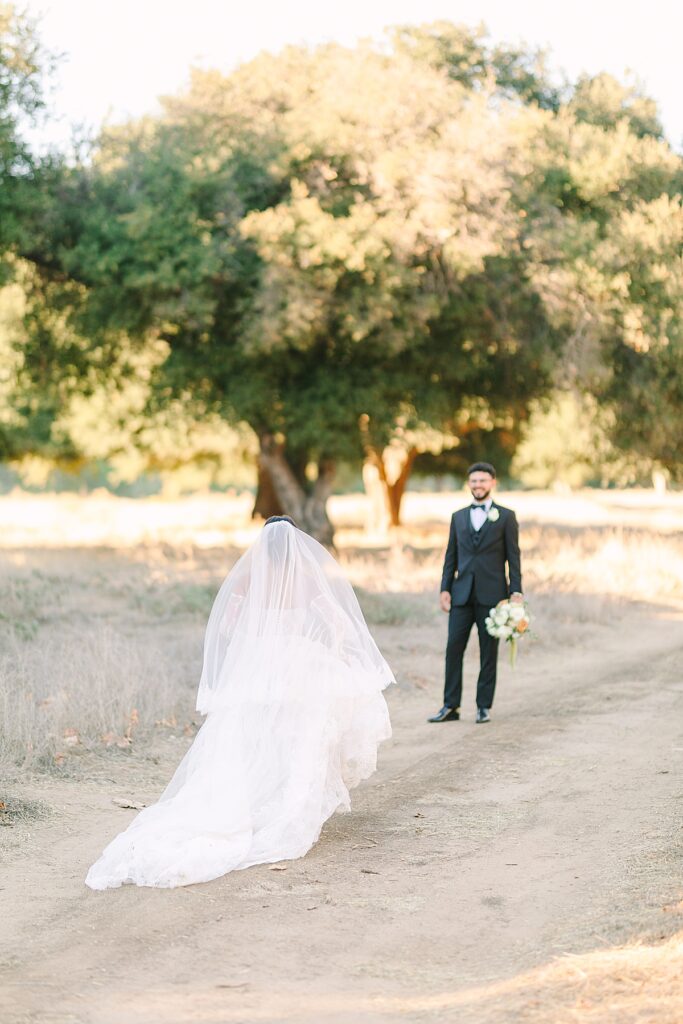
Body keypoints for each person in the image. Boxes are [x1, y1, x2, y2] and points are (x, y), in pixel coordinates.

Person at [86, 516, 393, 889]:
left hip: (259, 667)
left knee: (251, 738)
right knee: (296, 737)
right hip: (297, 666)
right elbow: (338, 623)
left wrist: (252, 648)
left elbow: (228, 626)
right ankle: (289, 808)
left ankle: (249, 805)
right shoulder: (307, 578)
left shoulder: (249, 577)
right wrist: (324, 649)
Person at [428, 463, 523, 725]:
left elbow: (513, 558)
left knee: (487, 652)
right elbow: (451, 555)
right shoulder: (458, 517)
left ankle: (483, 706)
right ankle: (450, 706)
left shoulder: (506, 516)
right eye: (473, 481)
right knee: (453, 649)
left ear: (493, 482)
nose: (478, 485)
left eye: (482, 480)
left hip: (492, 595)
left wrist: (516, 590)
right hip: (461, 594)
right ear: (468, 484)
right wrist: (445, 588)